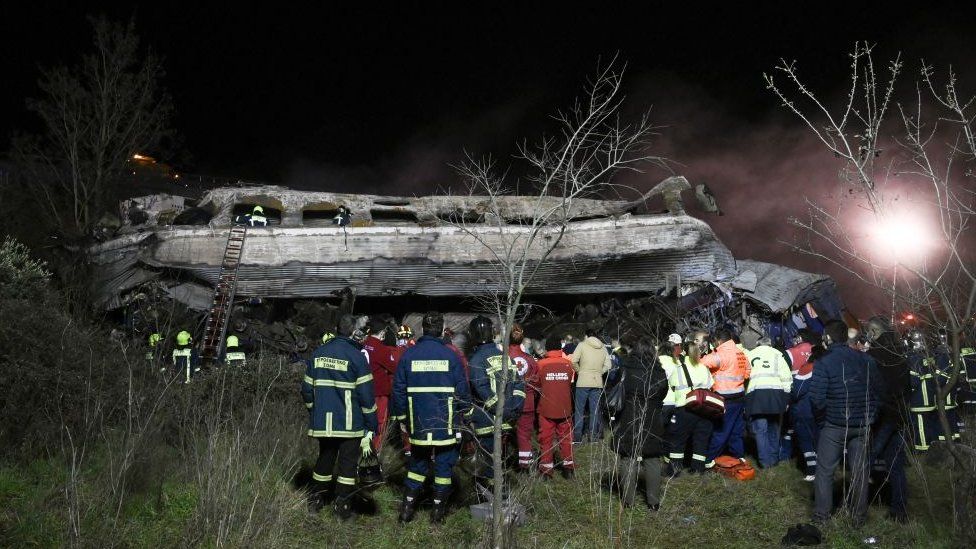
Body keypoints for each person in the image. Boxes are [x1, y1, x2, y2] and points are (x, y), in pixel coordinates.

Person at [391, 311, 470, 524]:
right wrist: (465, 415)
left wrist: (402, 419)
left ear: (423, 329)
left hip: (418, 423)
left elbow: (398, 389)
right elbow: (462, 390)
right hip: (445, 423)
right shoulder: (450, 355)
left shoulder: (409, 355)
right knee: (444, 468)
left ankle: (406, 511)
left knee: (417, 467)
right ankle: (437, 514)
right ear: (441, 328)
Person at [300, 314, 378, 520]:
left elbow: (307, 390)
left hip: (323, 423)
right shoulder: (357, 357)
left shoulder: (318, 354)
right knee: (347, 466)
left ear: (336, 329)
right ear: (353, 332)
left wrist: (313, 411)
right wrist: (372, 424)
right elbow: (366, 396)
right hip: (349, 424)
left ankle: (315, 502)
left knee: (324, 461)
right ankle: (342, 509)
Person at [809, 320, 884, 527]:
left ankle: (822, 518)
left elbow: (816, 398)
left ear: (828, 338)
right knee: (860, 472)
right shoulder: (867, 360)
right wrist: (871, 415)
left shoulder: (824, 362)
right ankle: (858, 518)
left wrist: (824, 420)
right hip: (862, 425)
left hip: (834, 425)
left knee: (825, 472)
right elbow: (879, 392)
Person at [467, 316, 526, 500]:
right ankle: (501, 493)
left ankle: (489, 498)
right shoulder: (505, 357)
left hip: (487, 421)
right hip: (507, 421)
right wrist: (514, 410)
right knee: (500, 459)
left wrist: (501, 411)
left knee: (487, 462)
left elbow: (482, 390)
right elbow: (519, 386)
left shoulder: (476, 360)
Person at [864, 316, 911, 523]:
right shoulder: (899, 352)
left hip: (882, 414)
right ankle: (899, 510)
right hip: (899, 413)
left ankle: (856, 508)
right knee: (896, 464)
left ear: (874, 332)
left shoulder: (875, 354)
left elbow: (872, 386)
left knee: (866, 459)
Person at [614, 339, 668, 510]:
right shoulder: (659, 371)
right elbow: (663, 393)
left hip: (630, 415)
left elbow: (617, 388)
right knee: (652, 458)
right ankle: (653, 502)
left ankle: (628, 501)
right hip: (652, 417)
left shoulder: (626, 369)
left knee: (628, 457)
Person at [700, 328, 750, 465]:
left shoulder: (721, 354)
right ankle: (739, 457)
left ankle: (708, 460)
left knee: (721, 431)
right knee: (736, 431)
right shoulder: (740, 353)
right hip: (739, 396)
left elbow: (700, 364)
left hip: (724, 399)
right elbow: (747, 372)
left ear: (718, 340)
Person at [666, 342, 715, 473]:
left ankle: (675, 470)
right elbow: (711, 384)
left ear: (683, 352)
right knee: (701, 440)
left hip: (684, 408)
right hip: (704, 409)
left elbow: (671, 385)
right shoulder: (704, 368)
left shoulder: (679, 369)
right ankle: (698, 469)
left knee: (678, 440)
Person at [745, 337, 792, 468]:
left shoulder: (750, 354)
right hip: (776, 394)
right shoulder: (778, 354)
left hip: (756, 395)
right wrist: (786, 398)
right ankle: (774, 459)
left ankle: (764, 463)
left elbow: (744, 376)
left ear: (757, 343)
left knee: (760, 430)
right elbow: (787, 378)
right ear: (770, 344)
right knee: (774, 428)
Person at [536, 338, 576, 479]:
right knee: (566, 439)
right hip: (565, 407)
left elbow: (537, 383)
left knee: (545, 440)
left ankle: (546, 472)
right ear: (560, 348)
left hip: (546, 409)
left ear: (547, 349)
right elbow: (570, 381)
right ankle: (569, 469)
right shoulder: (568, 364)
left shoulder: (540, 364)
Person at [784, 330, 821, 480]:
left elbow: (798, 390)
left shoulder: (805, 365)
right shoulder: (828, 366)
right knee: (818, 437)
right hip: (821, 409)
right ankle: (822, 469)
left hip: (803, 408)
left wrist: (790, 398)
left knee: (804, 437)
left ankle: (812, 470)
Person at [363, 317, 398, 453]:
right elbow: (394, 367)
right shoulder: (381, 349)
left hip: (362, 390)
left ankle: (362, 451)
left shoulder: (363, 344)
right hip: (378, 393)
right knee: (379, 423)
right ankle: (374, 453)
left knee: (363, 423)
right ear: (382, 332)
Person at [571, 331, 612, 444]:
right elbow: (608, 365)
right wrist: (599, 372)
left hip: (583, 382)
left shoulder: (582, 345)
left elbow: (573, 361)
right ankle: (593, 437)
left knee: (579, 410)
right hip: (597, 382)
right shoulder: (603, 347)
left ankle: (577, 438)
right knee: (595, 411)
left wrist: (580, 372)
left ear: (586, 336)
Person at [509, 324, 540, 472]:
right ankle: (525, 465)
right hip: (527, 401)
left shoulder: (504, 358)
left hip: (508, 401)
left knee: (504, 434)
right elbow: (536, 379)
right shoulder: (529, 359)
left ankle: (502, 464)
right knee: (525, 434)